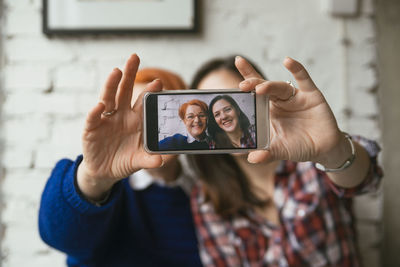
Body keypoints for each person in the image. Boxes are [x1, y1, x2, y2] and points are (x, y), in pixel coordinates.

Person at [39, 54, 382, 267]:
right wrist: (94, 176)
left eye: (234, 101)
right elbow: (64, 240)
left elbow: (365, 178)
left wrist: (331, 149)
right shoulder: (202, 199)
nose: (222, 115)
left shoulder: (308, 159)